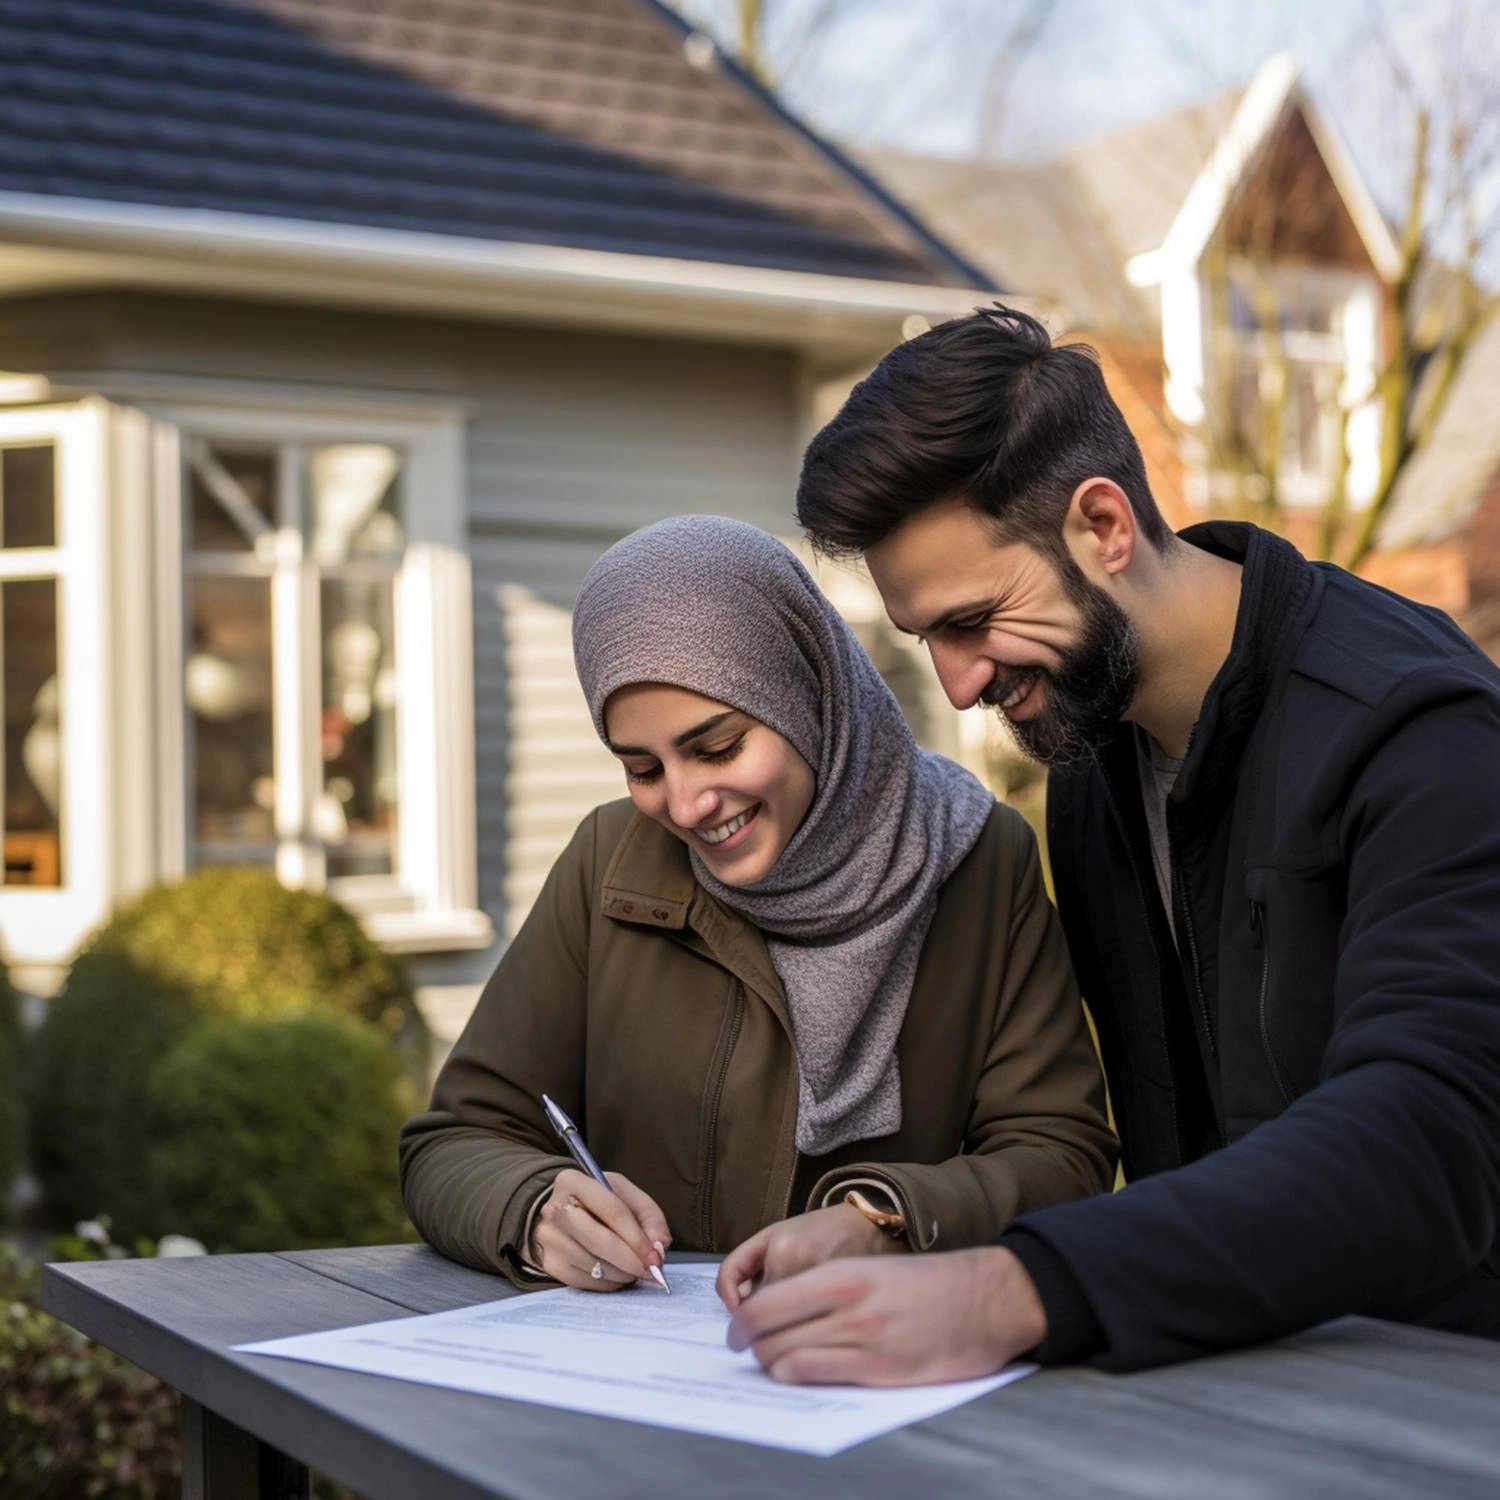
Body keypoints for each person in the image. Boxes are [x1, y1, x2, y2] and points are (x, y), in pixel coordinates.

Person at [724, 304, 1500, 1382]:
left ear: (1102, 525)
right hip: (1217, 1384)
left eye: (971, 620)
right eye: (924, 640)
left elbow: (1432, 1138)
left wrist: (1018, 1288)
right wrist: (886, 1222)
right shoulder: (1093, 760)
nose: (957, 684)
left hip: (1440, 1403)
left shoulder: (1421, 730)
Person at [399, 514, 1115, 1294]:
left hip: (871, 1375)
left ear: (807, 693)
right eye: (642, 767)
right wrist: (535, 1210)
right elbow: (455, 1141)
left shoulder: (980, 859)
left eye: (718, 747)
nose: (685, 803)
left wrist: (884, 1219)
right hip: (639, 1382)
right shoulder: (611, 861)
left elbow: (1060, 1153)